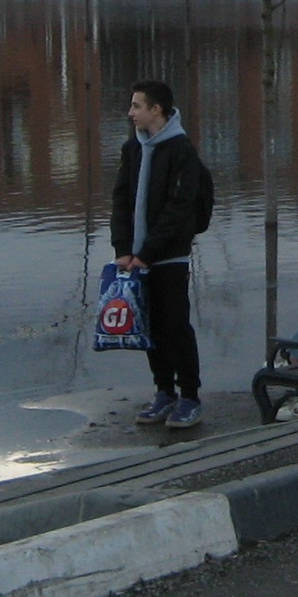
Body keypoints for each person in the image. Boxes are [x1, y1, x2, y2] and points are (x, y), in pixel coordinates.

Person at [110, 78, 210, 430]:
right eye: (131, 105)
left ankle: (190, 395)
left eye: (137, 105)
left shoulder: (181, 151)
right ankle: (163, 391)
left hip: (169, 256)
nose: (130, 112)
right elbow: (121, 200)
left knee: (175, 325)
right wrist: (123, 249)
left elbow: (179, 208)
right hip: (136, 257)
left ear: (157, 110)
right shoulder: (132, 149)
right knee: (149, 326)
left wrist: (149, 252)